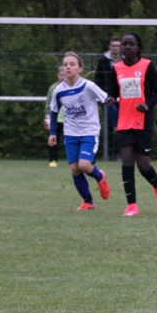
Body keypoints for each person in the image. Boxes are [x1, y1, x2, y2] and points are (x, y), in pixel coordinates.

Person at [106, 32, 157, 216]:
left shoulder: (147, 66)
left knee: (143, 165)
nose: (127, 47)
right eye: (124, 44)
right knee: (127, 160)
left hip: (143, 122)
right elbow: (112, 92)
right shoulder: (116, 68)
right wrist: (110, 99)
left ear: (138, 48)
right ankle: (132, 206)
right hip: (124, 121)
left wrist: (147, 105)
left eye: (131, 44)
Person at [48, 52, 111, 210]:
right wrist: (53, 132)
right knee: (75, 168)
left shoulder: (88, 86)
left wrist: (116, 122)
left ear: (80, 69)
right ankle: (88, 201)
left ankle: (100, 176)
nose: (68, 67)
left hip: (89, 131)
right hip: (70, 133)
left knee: (84, 165)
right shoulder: (58, 90)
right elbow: (54, 111)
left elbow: (107, 101)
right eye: (65, 65)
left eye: (72, 64)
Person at [95, 36, 122, 138]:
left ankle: (122, 147)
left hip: (122, 95)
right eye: (113, 46)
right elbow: (98, 78)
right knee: (108, 123)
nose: (115, 48)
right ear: (110, 47)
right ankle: (109, 148)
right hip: (107, 95)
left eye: (117, 46)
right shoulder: (103, 61)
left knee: (122, 122)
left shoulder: (125, 60)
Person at [44, 66, 64, 167]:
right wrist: (47, 116)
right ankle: (53, 160)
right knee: (54, 139)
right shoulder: (53, 88)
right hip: (56, 119)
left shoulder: (73, 87)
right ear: (57, 76)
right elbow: (48, 103)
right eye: (61, 75)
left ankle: (76, 160)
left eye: (65, 75)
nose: (63, 77)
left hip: (70, 119)